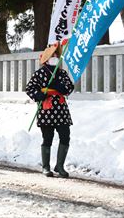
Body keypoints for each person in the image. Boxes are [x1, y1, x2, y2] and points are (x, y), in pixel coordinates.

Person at [25, 42, 74, 178]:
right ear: (46, 58)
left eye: (57, 54)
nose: (56, 56)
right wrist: (40, 95)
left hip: (61, 109)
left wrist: (60, 87)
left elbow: (69, 87)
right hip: (46, 109)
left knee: (65, 135)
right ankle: (46, 167)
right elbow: (30, 89)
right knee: (48, 137)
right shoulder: (39, 74)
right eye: (53, 55)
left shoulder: (62, 73)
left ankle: (60, 166)